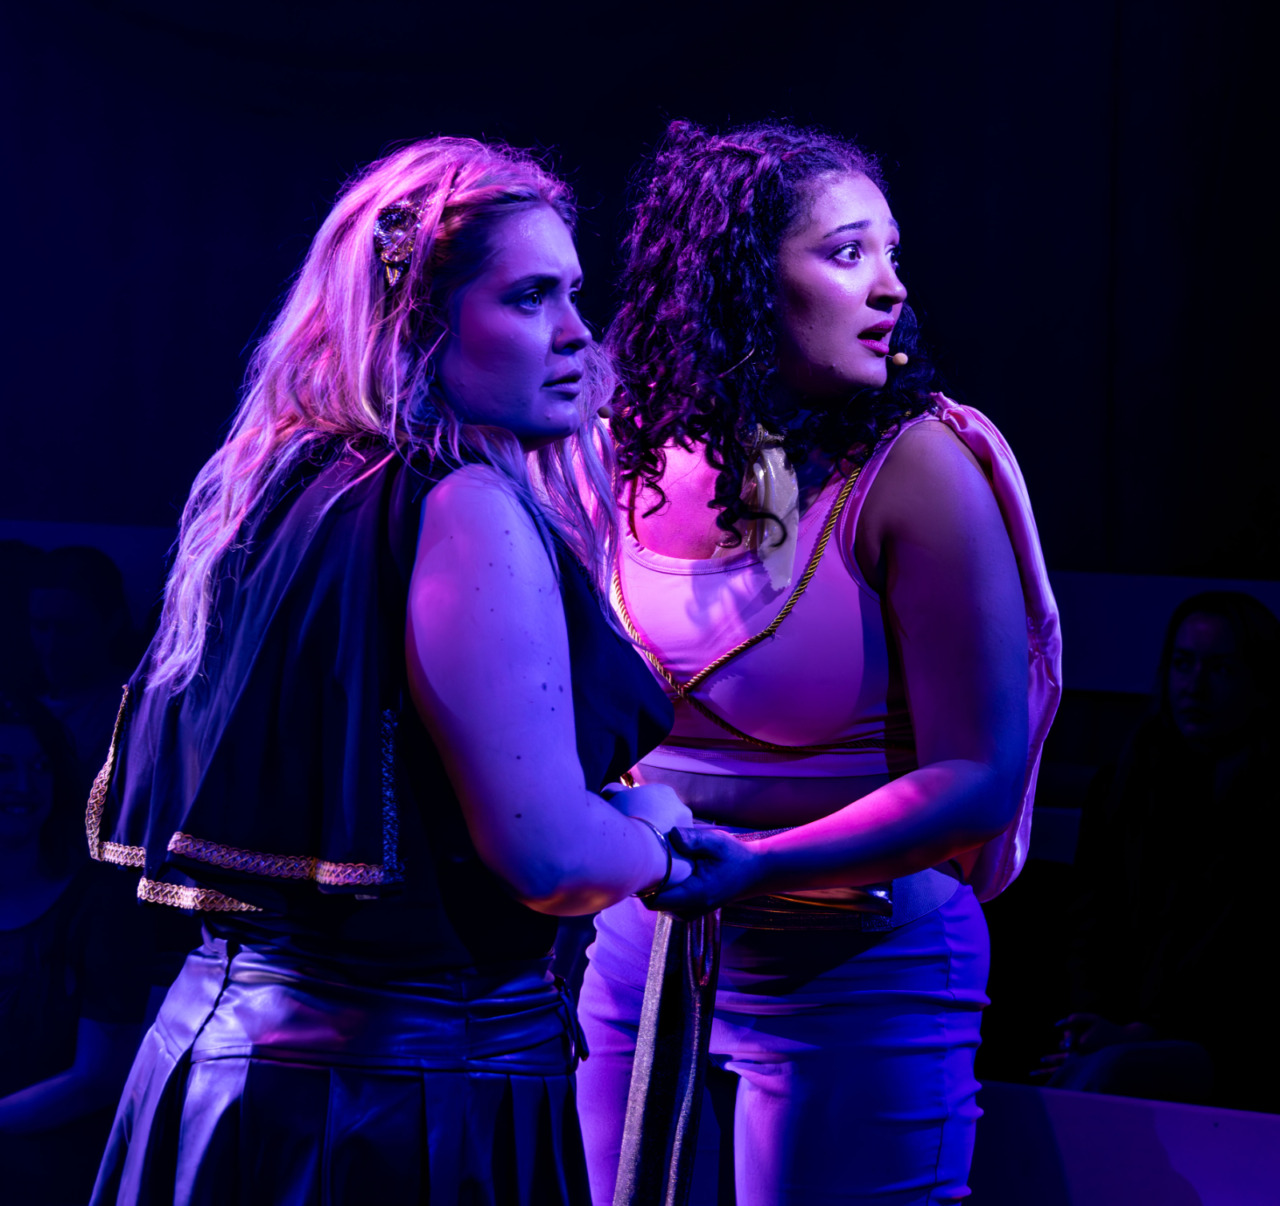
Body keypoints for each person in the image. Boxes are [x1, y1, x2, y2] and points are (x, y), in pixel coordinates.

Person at [86, 137, 694, 1206]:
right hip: (399, 1099)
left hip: (220, 1069)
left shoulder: (268, 486)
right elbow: (551, 856)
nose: (575, 331)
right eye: (529, 297)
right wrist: (652, 827)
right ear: (417, 321)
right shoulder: (464, 507)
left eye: (572, 292)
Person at [576, 121, 1061, 1205]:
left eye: (891, 254)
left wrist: (760, 865)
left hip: (857, 967)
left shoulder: (920, 467)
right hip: (642, 957)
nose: (890, 287)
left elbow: (977, 780)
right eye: (846, 254)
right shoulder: (621, 452)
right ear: (739, 278)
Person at [1044, 591, 1280, 1112]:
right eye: (1182, 663)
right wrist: (1090, 1023)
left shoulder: (1265, 804)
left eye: (1220, 669)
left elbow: (1244, 953)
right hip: (1124, 1023)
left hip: (1232, 1039)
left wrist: (1143, 1032)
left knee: (1109, 1076)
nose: (1194, 686)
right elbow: (1089, 922)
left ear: (1261, 685)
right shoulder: (1124, 784)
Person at [0, 694, 151, 1206]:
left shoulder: (98, 903)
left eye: (40, 767)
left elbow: (99, 1078)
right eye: (4, 766)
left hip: (53, 1170)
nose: (25, 785)